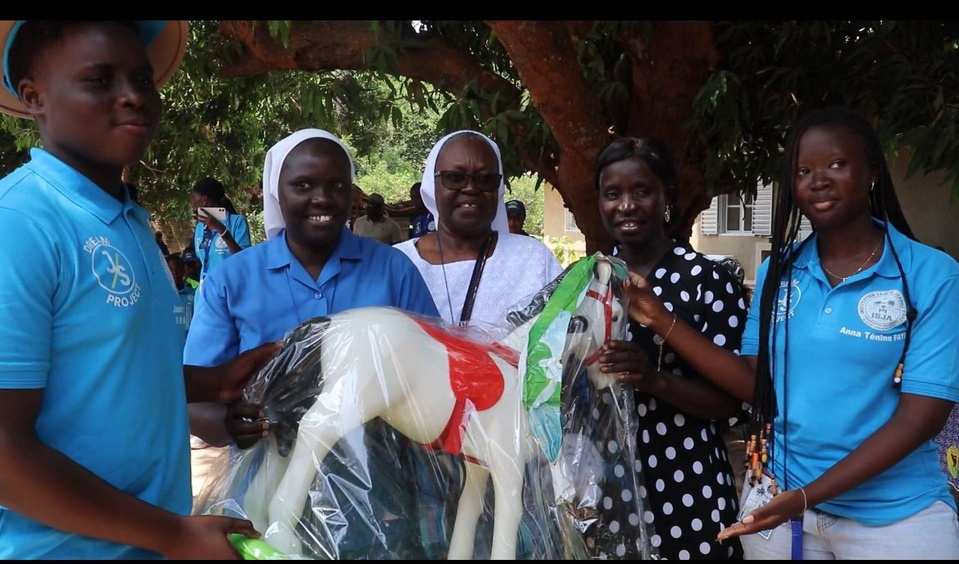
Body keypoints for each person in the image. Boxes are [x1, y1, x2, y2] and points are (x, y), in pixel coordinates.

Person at [622, 107, 959, 559]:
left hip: (893, 515)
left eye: (837, 164)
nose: (818, 180)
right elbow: (757, 386)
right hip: (781, 504)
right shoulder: (778, 272)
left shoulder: (931, 275)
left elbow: (922, 418)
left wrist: (807, 496)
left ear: (873, 172)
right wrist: (660, 319)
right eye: (803, 170)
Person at [0, 20, 278, 559]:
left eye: (141, 79)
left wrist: (213, 383)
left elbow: (105, 376)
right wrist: (173, 534)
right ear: (34, 97)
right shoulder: (21, 224)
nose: (132, 97)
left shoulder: (127, 221)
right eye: (100, 80)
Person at [185, 128, 440, 559]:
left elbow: (435, 375)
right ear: (276, 193)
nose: (322, 198)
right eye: (302, 185)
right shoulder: (232, 280)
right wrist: (229, 423)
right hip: (265, 503)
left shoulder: (393, 271)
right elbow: (196, 399)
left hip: (380, 504)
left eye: (336, 185)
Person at [393, 130, 564, 557]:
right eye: (455, 177)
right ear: (432, 184)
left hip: (509, 460)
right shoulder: (397, 262)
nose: (471, 188)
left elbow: (554, 355)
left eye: (485, 179)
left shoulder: (531, 258)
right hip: (415, 461)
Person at [586, 136, 747, 560]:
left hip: (686, 479)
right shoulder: (588, 281)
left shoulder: (707, 281)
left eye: (641, 191)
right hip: (606, 482)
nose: (626, 205)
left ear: (666, 197)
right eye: (613, 194)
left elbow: (733, 404)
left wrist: (653, 379)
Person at [190, 176, 252, 282]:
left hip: (230, 292)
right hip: (205, 294)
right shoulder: (200, 228)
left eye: (194, 198)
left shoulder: (237, 222)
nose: (192, 204)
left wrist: (221, 229)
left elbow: (244, 260)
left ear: (204, 200)